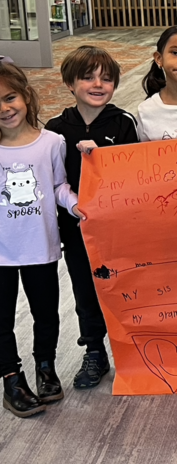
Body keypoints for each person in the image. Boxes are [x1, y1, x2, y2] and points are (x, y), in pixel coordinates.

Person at [44, 46, 138, 390]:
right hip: (76, 231)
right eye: (88, 77)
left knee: (124, 289)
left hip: (119, 231)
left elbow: (137, 174)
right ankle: (95, 349)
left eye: (107, 78)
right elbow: (54, 181)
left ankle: (132, 350)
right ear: (70, 83)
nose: (98, 84)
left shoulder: (123, 123)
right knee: (85, 292)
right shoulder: (55, 130)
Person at [1, 62, 83, 417]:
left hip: (40, 246)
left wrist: (76, 203)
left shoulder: (52, 143)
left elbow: (57, 186)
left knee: (45, 313)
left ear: (26, 96)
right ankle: (11, 378)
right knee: (1, 319)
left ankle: (45, 367)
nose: (5, 108)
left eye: (10, 97)